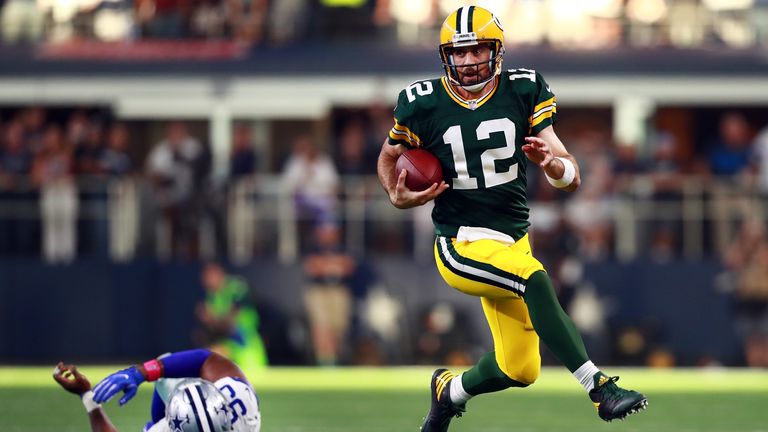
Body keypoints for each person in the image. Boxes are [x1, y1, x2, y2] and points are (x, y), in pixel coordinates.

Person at [375, 6, 647, 431]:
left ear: (496, 51)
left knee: (520, 369)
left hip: (512, 241)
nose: (466, 62)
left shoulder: (523, 89)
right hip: (460, 243)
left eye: (476, 50)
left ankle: (450, 392)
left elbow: (570, 175)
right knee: (534, 279)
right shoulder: (421, 102)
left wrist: (551, 165)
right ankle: (600, 389)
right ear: (445, 55)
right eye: (457, 53)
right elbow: (389, 157)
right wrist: (397, 194)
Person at [53, 348, 261, 431]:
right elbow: (205, 358)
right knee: (164, 367)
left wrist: (87, 397)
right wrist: (141, 372)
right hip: (177, 398)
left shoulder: (242, 410)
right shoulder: (240, 399)